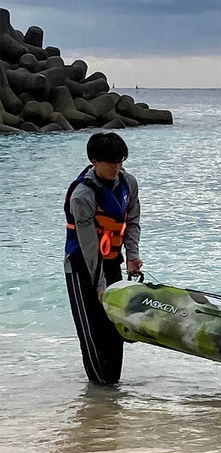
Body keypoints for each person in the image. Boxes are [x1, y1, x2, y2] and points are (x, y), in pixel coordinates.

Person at [64, 132, 142, 385]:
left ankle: (111, 393)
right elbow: (88, 245)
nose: (115, 167)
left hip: (111, 262)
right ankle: (99, 392)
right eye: (110, 162)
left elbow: (132, 222)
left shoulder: (128, 183)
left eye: (120, 161)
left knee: (114, 328)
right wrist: (99, 286)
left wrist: (132, 257)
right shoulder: (82, 195)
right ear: (94, 160)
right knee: (94, 330)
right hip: (81, 267)